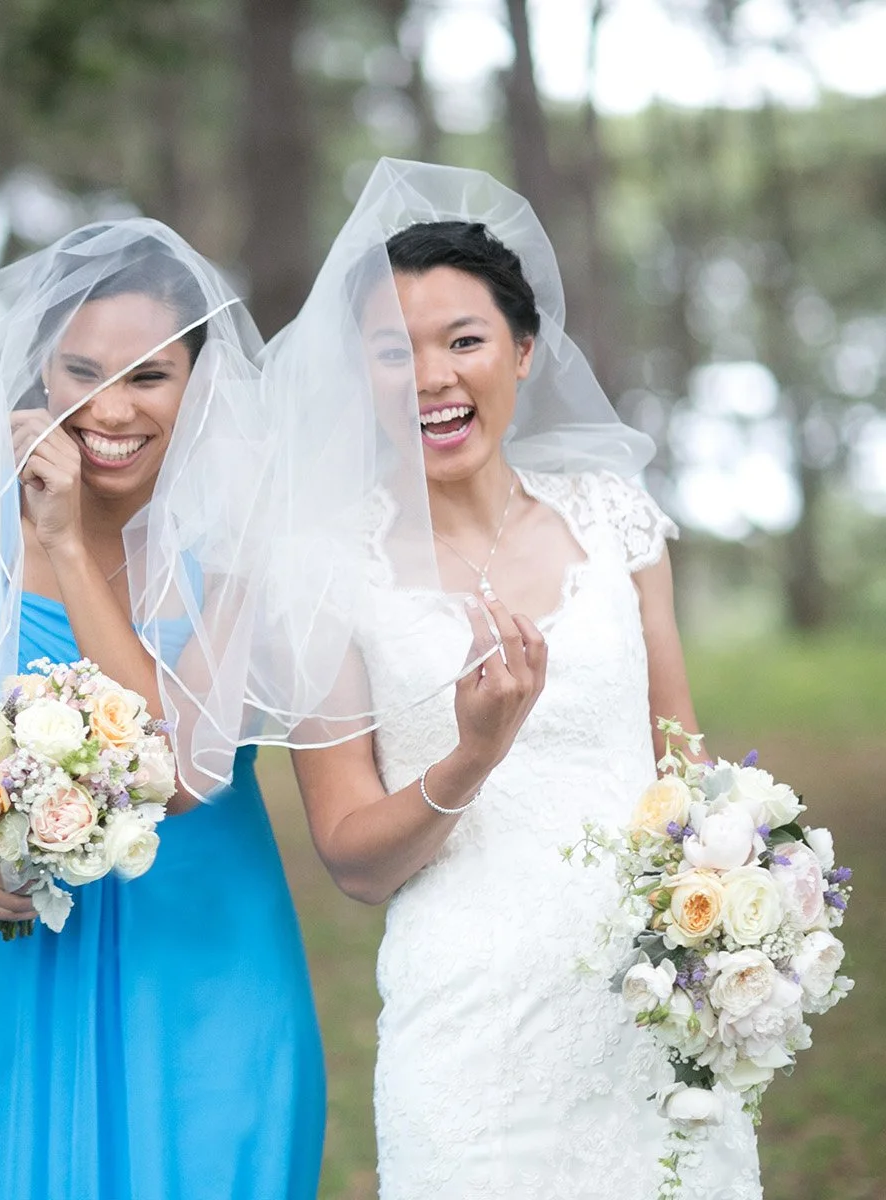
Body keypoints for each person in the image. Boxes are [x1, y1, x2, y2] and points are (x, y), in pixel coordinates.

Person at [265, 159, 762, 1198]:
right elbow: (353, 862)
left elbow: (684, 753)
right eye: (393, 355)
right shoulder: (321, 574)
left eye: (464, 340)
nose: (433, 378)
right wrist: (474, 753)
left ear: (524, 352)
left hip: (656, 1004)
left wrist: (753, 903)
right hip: (472, 1027)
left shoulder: (616, 521)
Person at [0, 222, 325, 1199]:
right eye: (80, 371)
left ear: (201, 386)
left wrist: (69, 542)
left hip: (210, 964)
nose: (109, 408)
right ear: (35, 375)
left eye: (149, 376)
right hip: (30, 952)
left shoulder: (243, 540)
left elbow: (177, 770)